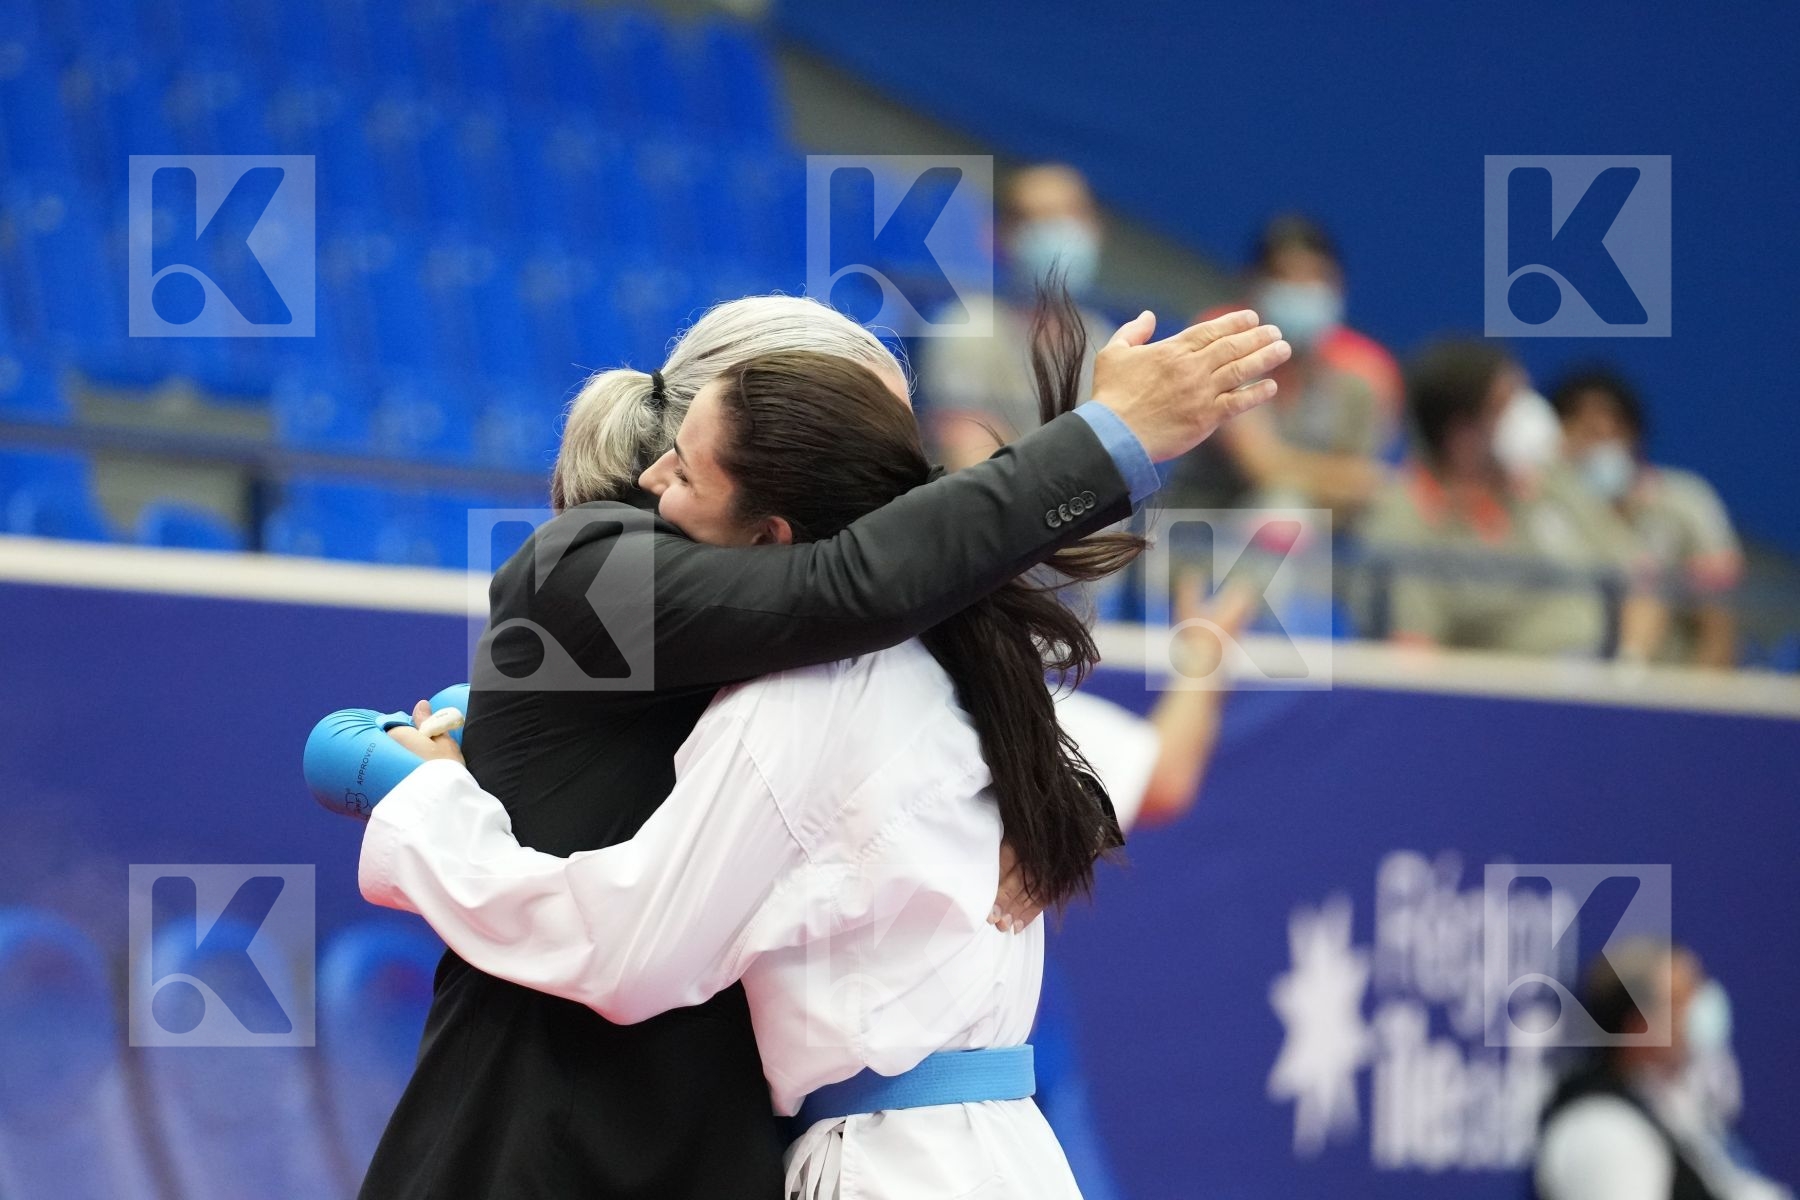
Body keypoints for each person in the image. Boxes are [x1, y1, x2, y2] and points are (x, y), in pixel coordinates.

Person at [346, 292, 1291, 1200]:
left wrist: (426, 802)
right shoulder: (610, 572)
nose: (901, 483)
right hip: (550, 1145)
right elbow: (849, 592)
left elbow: (626, 948)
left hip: (816, 1158)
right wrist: (1109, 437)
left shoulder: (835, 668)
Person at [1355, 339, 1663, 658]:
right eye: (1506, 404)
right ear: (1460, 431)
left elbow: (1642, 579)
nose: (1527, 417)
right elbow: (1413, 652)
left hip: (1601, 677)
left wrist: (1630, 665)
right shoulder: (1404, 519)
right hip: (1502, 685)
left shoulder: (1553, 484)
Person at [1169, 214, 1396, 520]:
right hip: (1202, 529)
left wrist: (1308, 474)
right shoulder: (1224, 353)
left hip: (1320, 533)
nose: (1302, 290)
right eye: (1286, 277)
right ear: (1254, 285)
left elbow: (1368, 483)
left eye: (1315, 278)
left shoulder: (1358, 380)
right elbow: (1262, 467)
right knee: (1282, 510)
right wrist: (1339, 479)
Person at [1534, 941, 1792, 1200]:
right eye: (1682, 999)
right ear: (1638, 1026)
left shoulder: (1678, 1107)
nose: (1702, 1006)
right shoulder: (1600, 1128)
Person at [918, 164, 1117, 469]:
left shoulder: (1104, 341)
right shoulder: (968, 328)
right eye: (1038, 219)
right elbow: (971, 467)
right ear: (998, 237)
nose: (1060, 232)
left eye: (1071, 215)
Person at [1550, 367, 1744, 668]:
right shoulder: (1546, 507)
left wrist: (1704, 695)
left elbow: (1718, 622)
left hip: (1667, 681)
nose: (1604, 444)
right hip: (1563, 674)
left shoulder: (1684, 501)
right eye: (1589, 433)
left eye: (1616, 431)